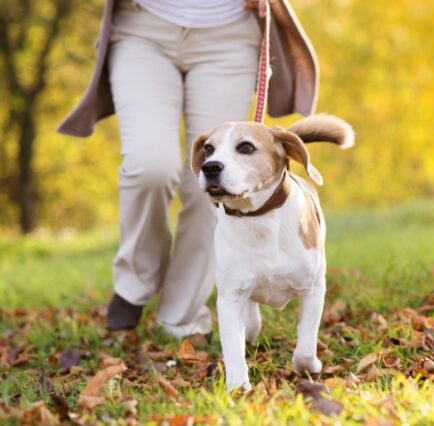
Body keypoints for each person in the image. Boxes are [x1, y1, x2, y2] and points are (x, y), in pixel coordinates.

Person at [56, 0, 318, 337]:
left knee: (220, 184)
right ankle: (137, 278)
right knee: (149, 165)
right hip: (142, 27)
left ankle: (181, 316)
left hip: (229, 35)